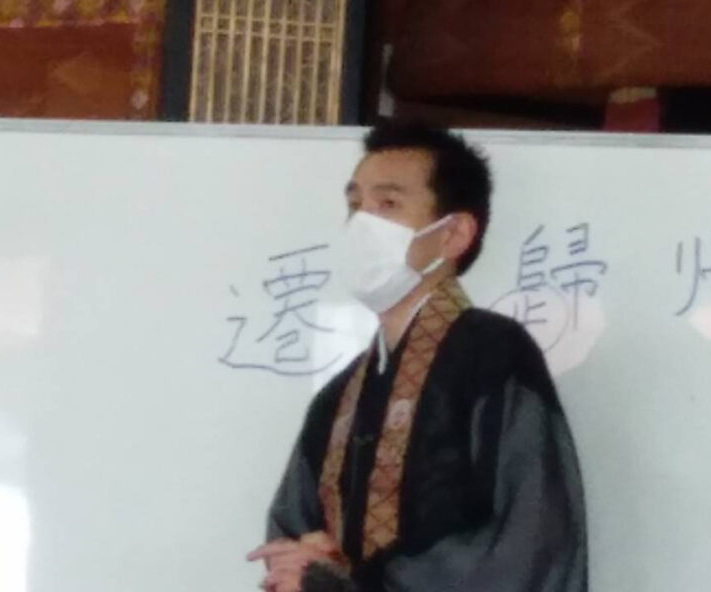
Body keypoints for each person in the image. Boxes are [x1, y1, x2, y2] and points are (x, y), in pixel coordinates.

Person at [247, 121, 587, 592]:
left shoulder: (493, 355)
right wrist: (306, 563)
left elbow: (532, 537)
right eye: (355, 206)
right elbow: (291, 533)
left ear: (454, 234)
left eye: (388, 204)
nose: (362, 223)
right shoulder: (338, 396)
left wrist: (353, 583)